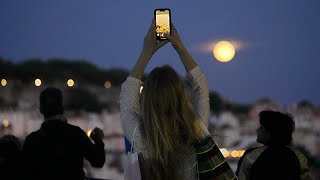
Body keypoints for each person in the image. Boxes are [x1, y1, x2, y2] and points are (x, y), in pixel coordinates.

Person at [120, 19, 220, 180]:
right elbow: (200, 87)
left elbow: (127, 98)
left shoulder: (138, 135)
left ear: (147, 98)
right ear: (180, 97)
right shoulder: (197, 131)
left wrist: (146, 52)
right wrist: (179, 46)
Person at [22, 87, 105, 180]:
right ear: (62, 108)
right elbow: (98, 162)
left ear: (41, 109)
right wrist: (98, 141)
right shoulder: (76, 134)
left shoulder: (32, 140)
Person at [236, 110, 312, 180]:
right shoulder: (299, 157)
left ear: (269, 133)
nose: (258, 130)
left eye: (261, 127)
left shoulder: (251, 156)